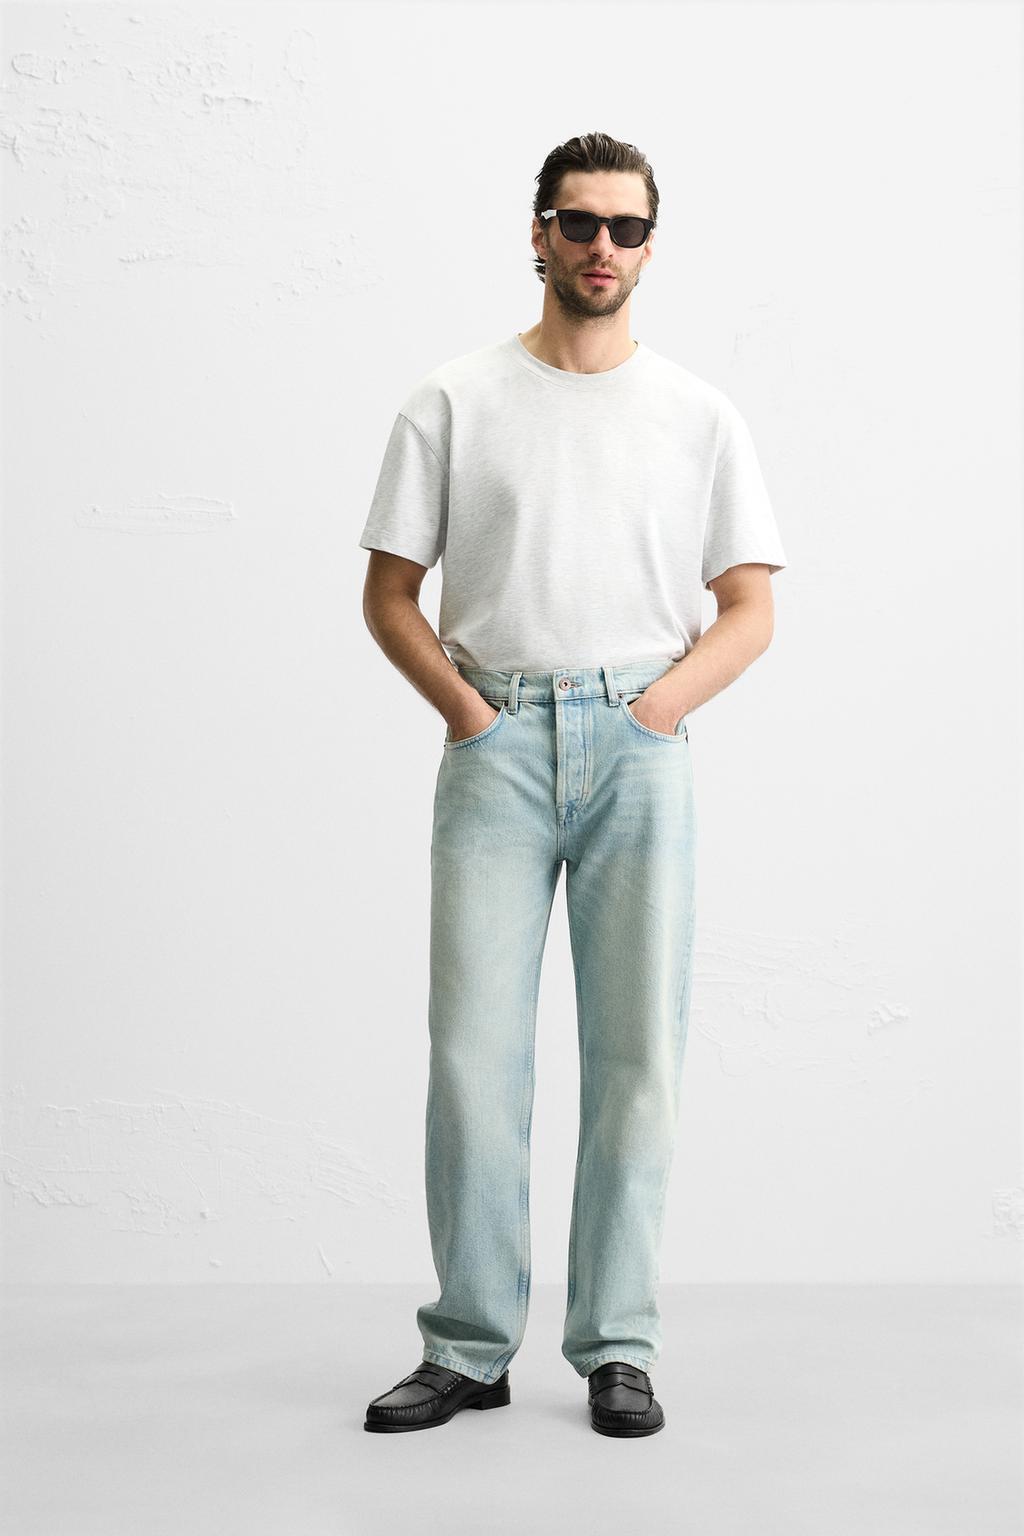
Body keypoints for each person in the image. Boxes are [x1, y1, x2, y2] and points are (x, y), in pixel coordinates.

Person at [358, 131, 787, 1437]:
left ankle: (617, 1345)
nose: (604, 247)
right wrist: (470, 715)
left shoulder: (698, 416)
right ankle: (469, 1345)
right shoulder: (453, 401)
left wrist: (658, 709)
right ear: (538, 232)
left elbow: (750, 607)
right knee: (472, 1058)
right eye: (581, 222)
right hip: (494, 742)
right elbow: (390, 595)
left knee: (636, 1058)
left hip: (638, 747)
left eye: (627, 228)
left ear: (652, 246)